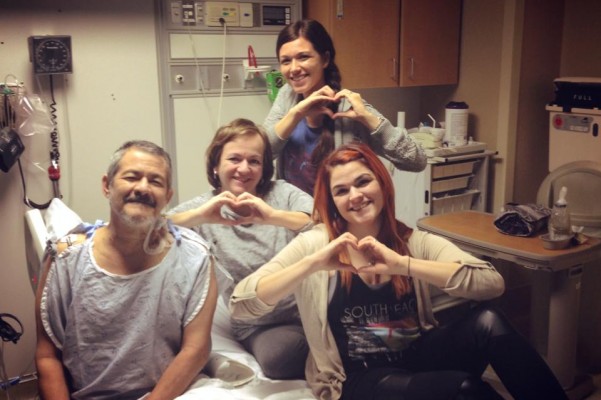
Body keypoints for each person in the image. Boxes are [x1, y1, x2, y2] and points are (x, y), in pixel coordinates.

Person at [230, 142, 569, 400]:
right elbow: (242, 304)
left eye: (363, 182)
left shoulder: (411, 241)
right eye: (341, 191)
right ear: (332, 202)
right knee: (465, 389)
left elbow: (491, 283)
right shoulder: (317, 244)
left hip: (416, 355)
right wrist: (313, 264)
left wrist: (402, 265)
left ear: (382, 184)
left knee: (489, 321)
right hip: (357, 379)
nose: (355, 196)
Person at [35, 140, 218, 400]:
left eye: (155, 181)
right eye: (131, 177)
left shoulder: (194, 258)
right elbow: (47, 355)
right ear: (107, 185)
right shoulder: (65, 257)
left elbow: (196, 349)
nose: (142, 187)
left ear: (167, 196)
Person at [168, 118, 314, 379]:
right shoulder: (204, 208)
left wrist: (272, 216)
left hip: (311, 309)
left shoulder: (282, 193)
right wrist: (199, 217)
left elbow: (322, 221)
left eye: (254, 161)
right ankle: (212, 360)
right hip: (261, 325)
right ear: (215, 166)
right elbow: (147, 230)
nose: (244, 169)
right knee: (282, 359)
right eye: (234, 159)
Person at [264, 19, 427, 194]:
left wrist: (371, 120)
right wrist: (296, 114)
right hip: (291, 211)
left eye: (303, 57)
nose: (294, 68)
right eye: (286, 61)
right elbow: (262, 153)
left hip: (338, 211)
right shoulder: (287, 96)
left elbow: (417, 161)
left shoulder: (349, 108)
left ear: (325, 59)